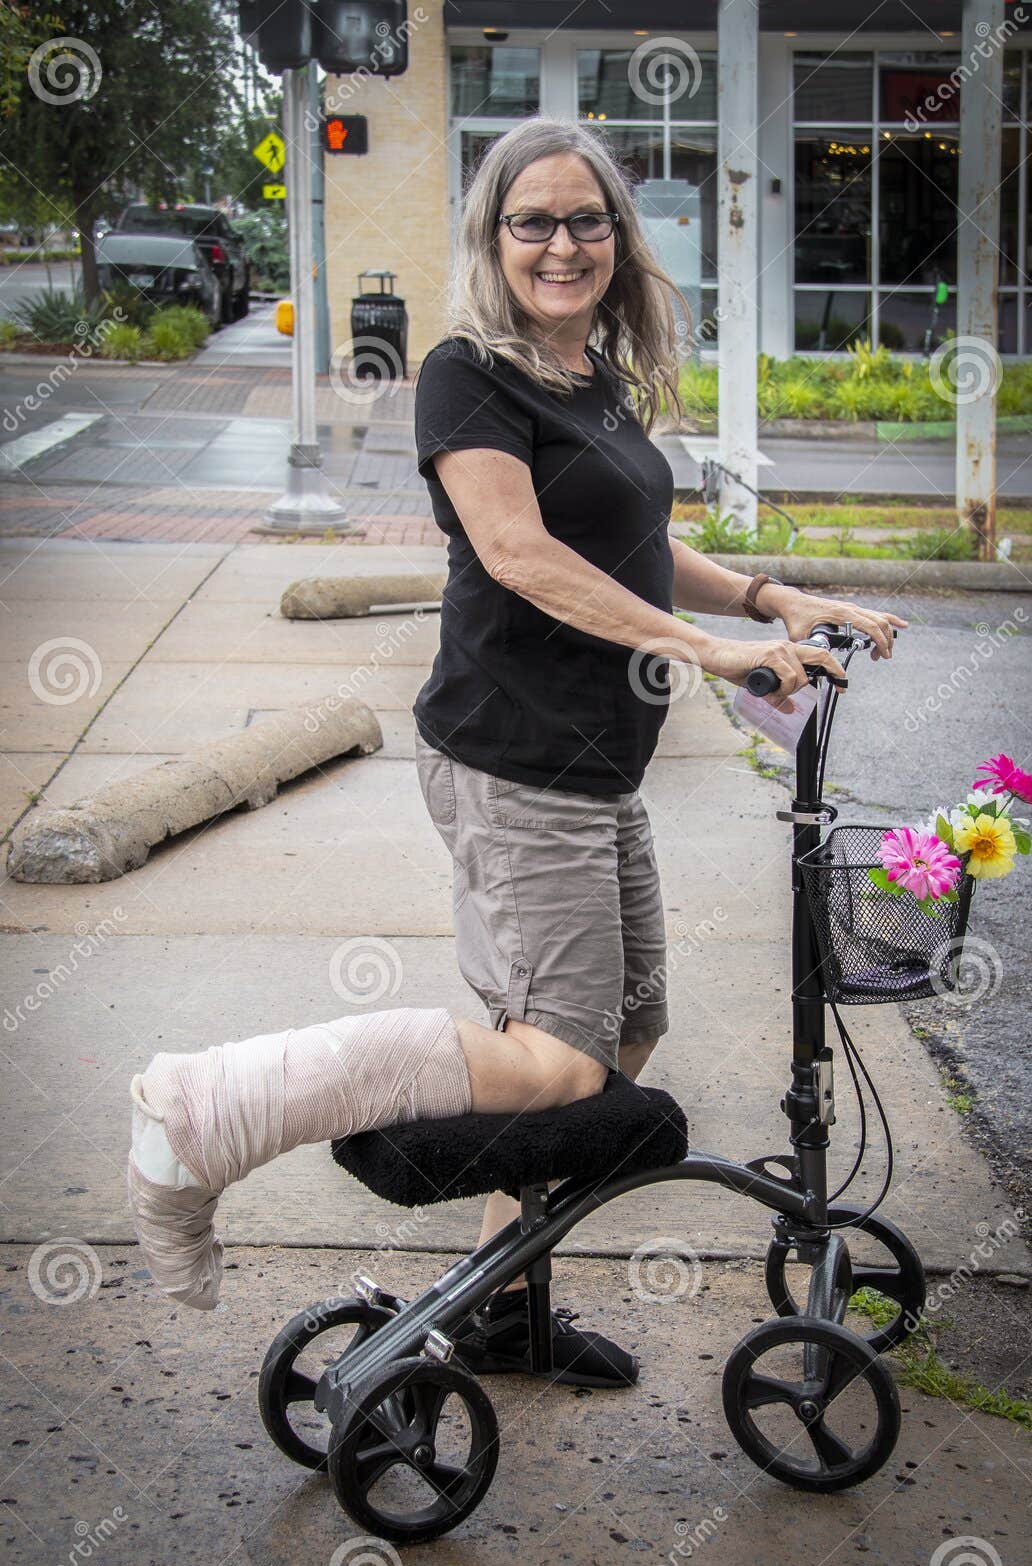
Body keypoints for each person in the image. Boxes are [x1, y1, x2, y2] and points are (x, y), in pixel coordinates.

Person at [126, 117, 905, 1388]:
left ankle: (498, 1304)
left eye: (586, 220)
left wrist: (769, 600)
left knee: (625, 1038)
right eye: (531, 220)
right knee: (556, 1055)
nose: (562, 243)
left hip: (596, 767)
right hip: (515, 759)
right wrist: (703, 655)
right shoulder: (464, 374)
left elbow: (631, 546)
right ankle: (206, 1107)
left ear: (617, 237)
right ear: (493, 238)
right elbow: (520, 553)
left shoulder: (588, 373)